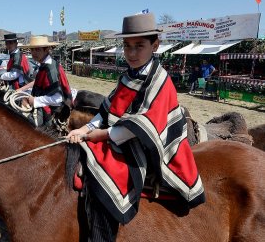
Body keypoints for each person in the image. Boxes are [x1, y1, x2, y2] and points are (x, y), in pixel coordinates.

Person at [67, 13, 205, 241]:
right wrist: (85, 129)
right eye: (127, 46)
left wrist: (99, 135)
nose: (131, 53)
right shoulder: (128, 77)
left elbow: (144, 126)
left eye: (139, 46)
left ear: (155, 45)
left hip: (151, 140)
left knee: (106, 174)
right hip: (121, 134)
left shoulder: (160, 80)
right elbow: (108, 110)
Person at [19, 35, 72, 127]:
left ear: (46, 50)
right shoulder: (44, 65)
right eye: (32, 50)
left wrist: (35, 100)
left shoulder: (50, 69)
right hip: (44, 106)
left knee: (24, 126)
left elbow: (58, 98)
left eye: (38, 50)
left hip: (54, 111)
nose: (34, 53)